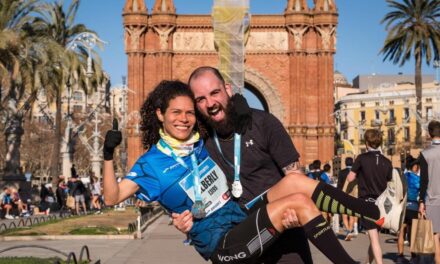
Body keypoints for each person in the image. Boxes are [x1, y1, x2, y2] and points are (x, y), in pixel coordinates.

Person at [103, 80, 360, 263]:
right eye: (176, 112)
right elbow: (112, 198)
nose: (184, 118)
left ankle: (370, 213)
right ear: (160, 114)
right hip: (222, 243)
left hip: (242, 217)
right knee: (298, 204)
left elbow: (216, 111)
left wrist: (239, 106)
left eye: (189, 113)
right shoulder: (150, 164)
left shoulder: (199, 140)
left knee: (296, 184)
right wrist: (107, 156)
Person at [174, 66, 396, 261]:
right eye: (201, 99)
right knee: (297, 197)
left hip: (279, 222)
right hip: (239, 225)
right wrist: (185, 221)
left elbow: (294, 174)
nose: (210, 103)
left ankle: (372, 211)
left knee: (295, 185)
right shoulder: (198, 143)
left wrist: (294, 210)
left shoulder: (263, 123)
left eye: (215, 93)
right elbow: (191, 196)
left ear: (228, 90)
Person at [347, 129, 393, 264]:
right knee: (375, 237)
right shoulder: (387, 161)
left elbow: (350, 178)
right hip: (382, 205)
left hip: (366, 202)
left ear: (366, 143)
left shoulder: (361, 158)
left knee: (374, 239)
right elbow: (390, 182)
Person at [419, 120, 440, 264]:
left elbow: (424, 181)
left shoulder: (425, 153)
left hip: (433, 200)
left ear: (429, 134)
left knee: (435, 236)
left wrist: (421, 201)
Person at [396, 157, 420, 263]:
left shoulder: (402, 177)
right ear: (414, 167)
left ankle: (400, 256)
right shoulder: (417, 179)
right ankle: (413, 257)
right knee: (413, 233)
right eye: (417, 167)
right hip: (414, 208)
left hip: (402, 207)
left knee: (401, 232)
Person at [338, 157, 359, 241]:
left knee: (344, 215)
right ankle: (350, 230)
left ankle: (348, 231)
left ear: (345, 163)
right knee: (352, 215)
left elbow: (339, 184)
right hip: (353, 196)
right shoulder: (356, 173)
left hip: (344, 195)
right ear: (353, 163)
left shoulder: (341, 172)